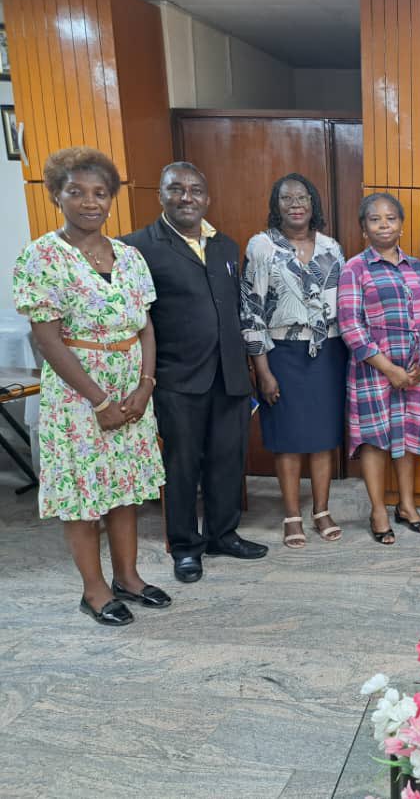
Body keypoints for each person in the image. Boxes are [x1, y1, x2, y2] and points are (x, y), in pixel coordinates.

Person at [13, 147, 169, 625]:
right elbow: (47, 337)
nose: (89, 202)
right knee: (83, 496)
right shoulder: (42, 256)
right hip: (79, 397)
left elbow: (145, 325)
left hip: (130, 390)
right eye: (76, 192)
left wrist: (145, 386)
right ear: (56, 194)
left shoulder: (128, 256)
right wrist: (99, 399)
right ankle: (95, 590)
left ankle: (129, 577)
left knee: (124, 489)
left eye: (100, 193)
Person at [122, 162, 267, 584]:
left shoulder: (224, 244)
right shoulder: (136, 248)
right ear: (160, 194)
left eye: (196, 190)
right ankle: (186, 546)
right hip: (177, 379)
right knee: (182, 465)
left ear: (207, 197)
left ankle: (223, 534)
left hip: (229, 376)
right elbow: (138, 320)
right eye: (177, 189)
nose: (188, 197)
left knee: (227, 459)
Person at [241, 173, 347, 549]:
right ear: (277, 205)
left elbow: (344, 304)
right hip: (282, 353)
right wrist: (262, 369)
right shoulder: (262, 247)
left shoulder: (332, 248)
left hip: (329, 353)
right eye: (286, 198)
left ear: (313, 203)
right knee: (287, 440)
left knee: (323, 438)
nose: (295, 203)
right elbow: (251, 312)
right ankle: (291, 515)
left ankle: (321, 510)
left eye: (302, 197)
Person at [338, 193, 420, 545]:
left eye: (391, 218)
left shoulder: (417, 267)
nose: (384, 224)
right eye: (375, 219)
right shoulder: (355, 268)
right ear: (363, 228)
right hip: (373, 367)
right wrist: (387, 368)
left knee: (407, 436)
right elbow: (350, 326)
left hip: (414, 368)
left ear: (401, 223)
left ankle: (407, 505)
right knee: (375, 439)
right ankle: (378, 509)